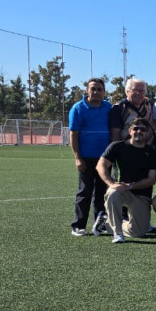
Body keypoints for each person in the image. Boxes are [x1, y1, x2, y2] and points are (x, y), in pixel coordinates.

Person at [96, 119, 156, 243]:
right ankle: (117, 233)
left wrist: (131, 186)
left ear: (147, 133)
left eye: (143, 129)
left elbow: (151, 179)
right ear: (130, 131)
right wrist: (112, 184)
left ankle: (107, 223)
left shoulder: (151, 152)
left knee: (139, 232)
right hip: (121, 190)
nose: (139, 131)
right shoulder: (117, 146)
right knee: (112, 193)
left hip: (141, 194)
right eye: (136, 128)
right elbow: (101, 166)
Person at [69, 77, 113, 236]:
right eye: (93, 89)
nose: (96, 92)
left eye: (99, 89)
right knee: (85, 191)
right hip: (86, 157)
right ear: (87, 90)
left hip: (104, 159)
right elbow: (73, 134)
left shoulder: (108, 107)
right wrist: (77, 158)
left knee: (102, 192)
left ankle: (99, 224)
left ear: (104, 91)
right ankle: (78, 225)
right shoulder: (78, 108)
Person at [109, 76, 156, 145]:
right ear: (127, 91)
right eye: (135, 90)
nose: (138, 93)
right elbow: (115, 134)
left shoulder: (151, 106)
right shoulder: (118, 108)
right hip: (127, 149)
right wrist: (118, 151)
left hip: (149, 149)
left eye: (141, 91)